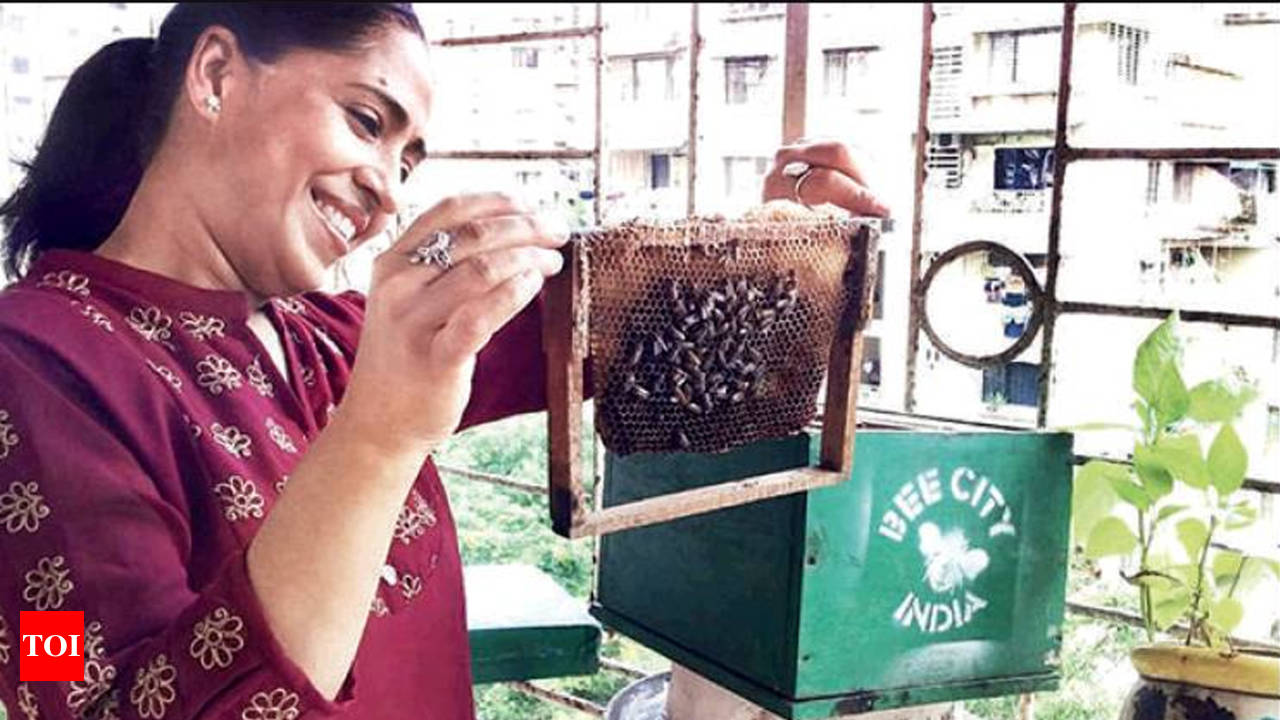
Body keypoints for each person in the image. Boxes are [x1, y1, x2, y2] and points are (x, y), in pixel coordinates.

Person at [0, 4, 888, 718]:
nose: (389, 189)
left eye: (407, 157)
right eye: (366, 119)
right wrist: (379, 436)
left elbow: (620, 327)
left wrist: (784, 240)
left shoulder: (333, 336)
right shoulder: (34, 364)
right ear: (217, 74)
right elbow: (70, 676)